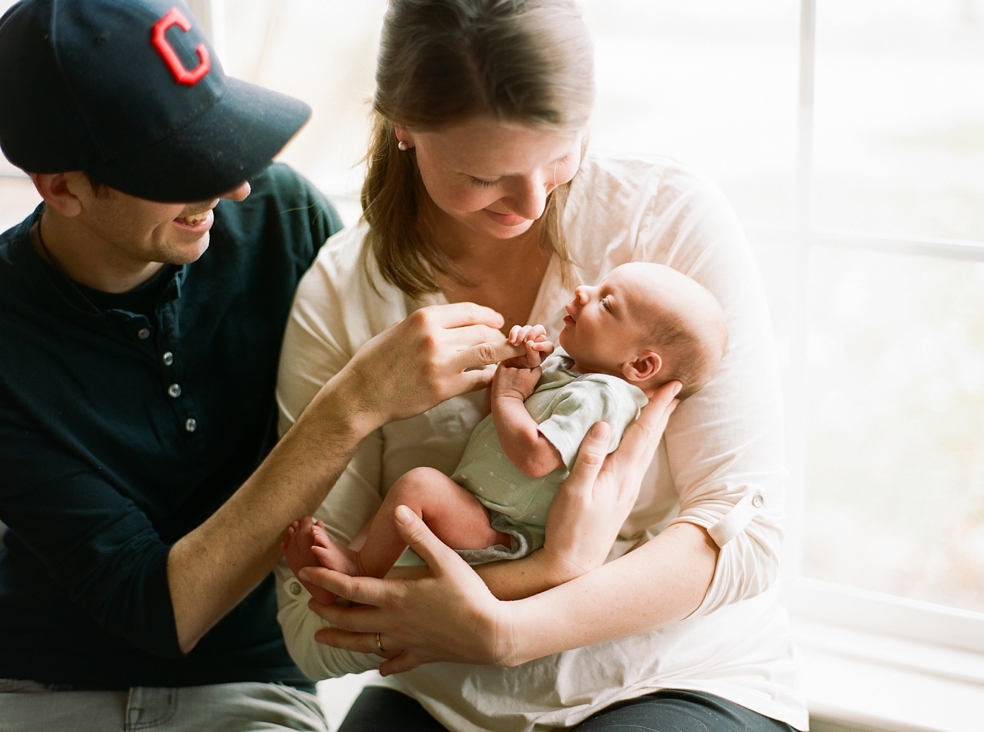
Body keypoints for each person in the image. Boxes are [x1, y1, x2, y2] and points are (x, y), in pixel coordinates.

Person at [0, 1, 674, 729]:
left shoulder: (282, 220)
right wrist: (354, 402)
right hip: (43, 688)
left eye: (222, 143)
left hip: (252, 685)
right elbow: (159, 612)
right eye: (181, 167)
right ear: (60, 186)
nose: (233, 189)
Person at [273, 1, 809, 731]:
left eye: (560, 152)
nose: (534, 199)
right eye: (484, 174)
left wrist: (510, 628)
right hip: (441, 698)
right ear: (402, 121)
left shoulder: (663, 222)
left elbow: (747, 538)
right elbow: (311, 635)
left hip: (670, 674)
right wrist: (524, 584)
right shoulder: (342, 296)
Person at [282, 262, 727, 598]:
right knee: (398, 507)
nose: (583, 291)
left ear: (641, 365)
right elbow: (532, 395)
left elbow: (536, 456)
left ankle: (359, 570)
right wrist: (526, 361)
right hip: (484, 509)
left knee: (417, 486)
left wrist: (508, 397)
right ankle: (347, 567)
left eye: (607, 303)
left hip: (505, 531)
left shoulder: (605, 396)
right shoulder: (577, 373)